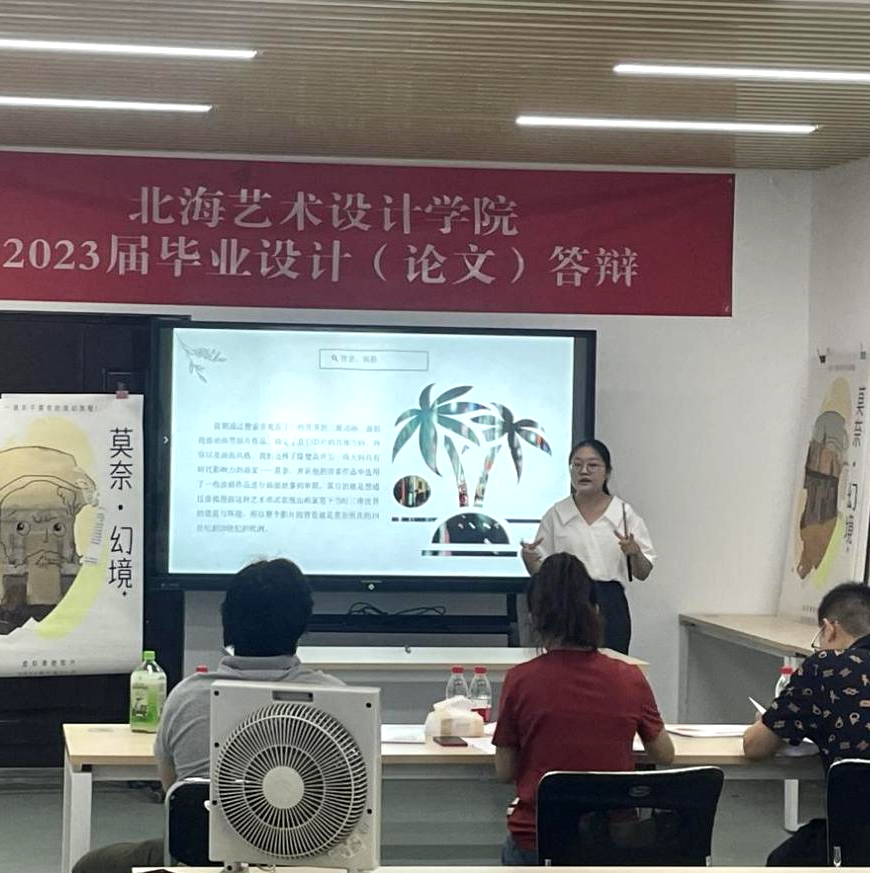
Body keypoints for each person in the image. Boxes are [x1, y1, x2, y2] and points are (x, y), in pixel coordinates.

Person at [73, 558, 342, 873]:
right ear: (303, 623)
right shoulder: (336, 699)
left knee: (91, 866)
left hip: (202, 859)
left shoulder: (187, 696)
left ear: (227, 621)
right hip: (309, 859)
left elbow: (173, 792)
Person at [493, 552, 674, 865]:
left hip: (539, 839)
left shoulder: (520, 680)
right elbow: (664, 754)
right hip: (612, 842)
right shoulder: (629, 677)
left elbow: (505, 771)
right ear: (596, 612)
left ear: (534, 617)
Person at [743, 582, 870, 866]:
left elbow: (755, 747)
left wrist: (767, 721)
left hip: (855, 844)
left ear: (829, 629)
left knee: (783, 861)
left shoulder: (826, 666)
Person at [521, 438, 655, 653]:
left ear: (607, 472)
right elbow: (540, 572)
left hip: (609, 602)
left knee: (611, 667)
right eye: (577, 465)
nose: (584, 471)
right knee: (564, 666)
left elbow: (643, 572)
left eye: (592, 465)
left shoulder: (623, 513)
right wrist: (529, 560)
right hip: (565, 600)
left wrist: (635, 552)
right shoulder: (556, 513)